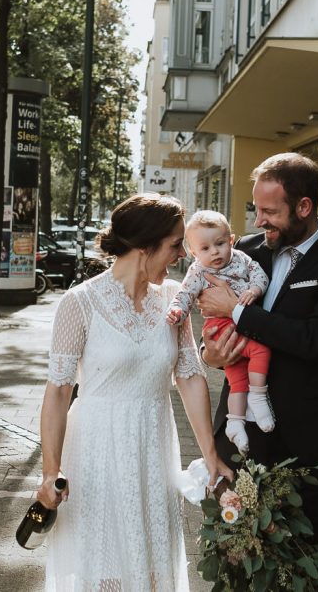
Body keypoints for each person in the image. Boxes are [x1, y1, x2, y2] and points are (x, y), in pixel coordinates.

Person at [38, 193, 233, 591]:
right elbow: (58, 391)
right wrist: (50, 470)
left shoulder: (174, 300)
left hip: (154, 448)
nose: (182, 254)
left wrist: (211, 457)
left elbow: (190, 377)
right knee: (104, 567)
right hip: (96, 452)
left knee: (151, 567)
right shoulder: (80, 302)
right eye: (176, 244)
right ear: (144, 247)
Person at [197, 152, 318, 554]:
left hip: (304, 437)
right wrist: (210, 354)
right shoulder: (243, 251)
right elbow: (210, 317)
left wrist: (238, 311)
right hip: (239, 429)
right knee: (231, 551)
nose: (259, 221)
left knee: (300, 559)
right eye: (256, 209)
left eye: (269, 211)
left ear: (304, 207)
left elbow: (315, 340)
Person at [166, 210, 272, 455]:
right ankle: (258, 397)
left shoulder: (242, 259)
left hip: (241, 322)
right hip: (220, 326)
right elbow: (186, 294)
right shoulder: (197, 271)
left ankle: (235, 421)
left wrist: (254, 290)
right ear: (194, 253)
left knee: (237, 379)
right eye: (204, 248)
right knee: (260, 350)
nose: (214, 252)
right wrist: (177, 311)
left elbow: (260, 276)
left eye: (220, 244)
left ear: (231, 241)